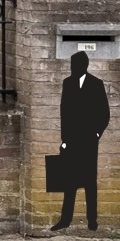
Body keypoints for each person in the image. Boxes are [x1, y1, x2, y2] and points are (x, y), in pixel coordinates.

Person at [57, 49, 109, 232]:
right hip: (71, 140)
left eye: (75, 65)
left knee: (89, 181)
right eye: (71, 65)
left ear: (84, 66)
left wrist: (96, 134)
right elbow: (64, 113)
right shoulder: (67, 83)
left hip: (88, 141)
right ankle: (65, 219)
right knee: (69, 181)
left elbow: (104, 113)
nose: (72, 68)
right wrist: (64, 140)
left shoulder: (96, 84)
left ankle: (92, 220)